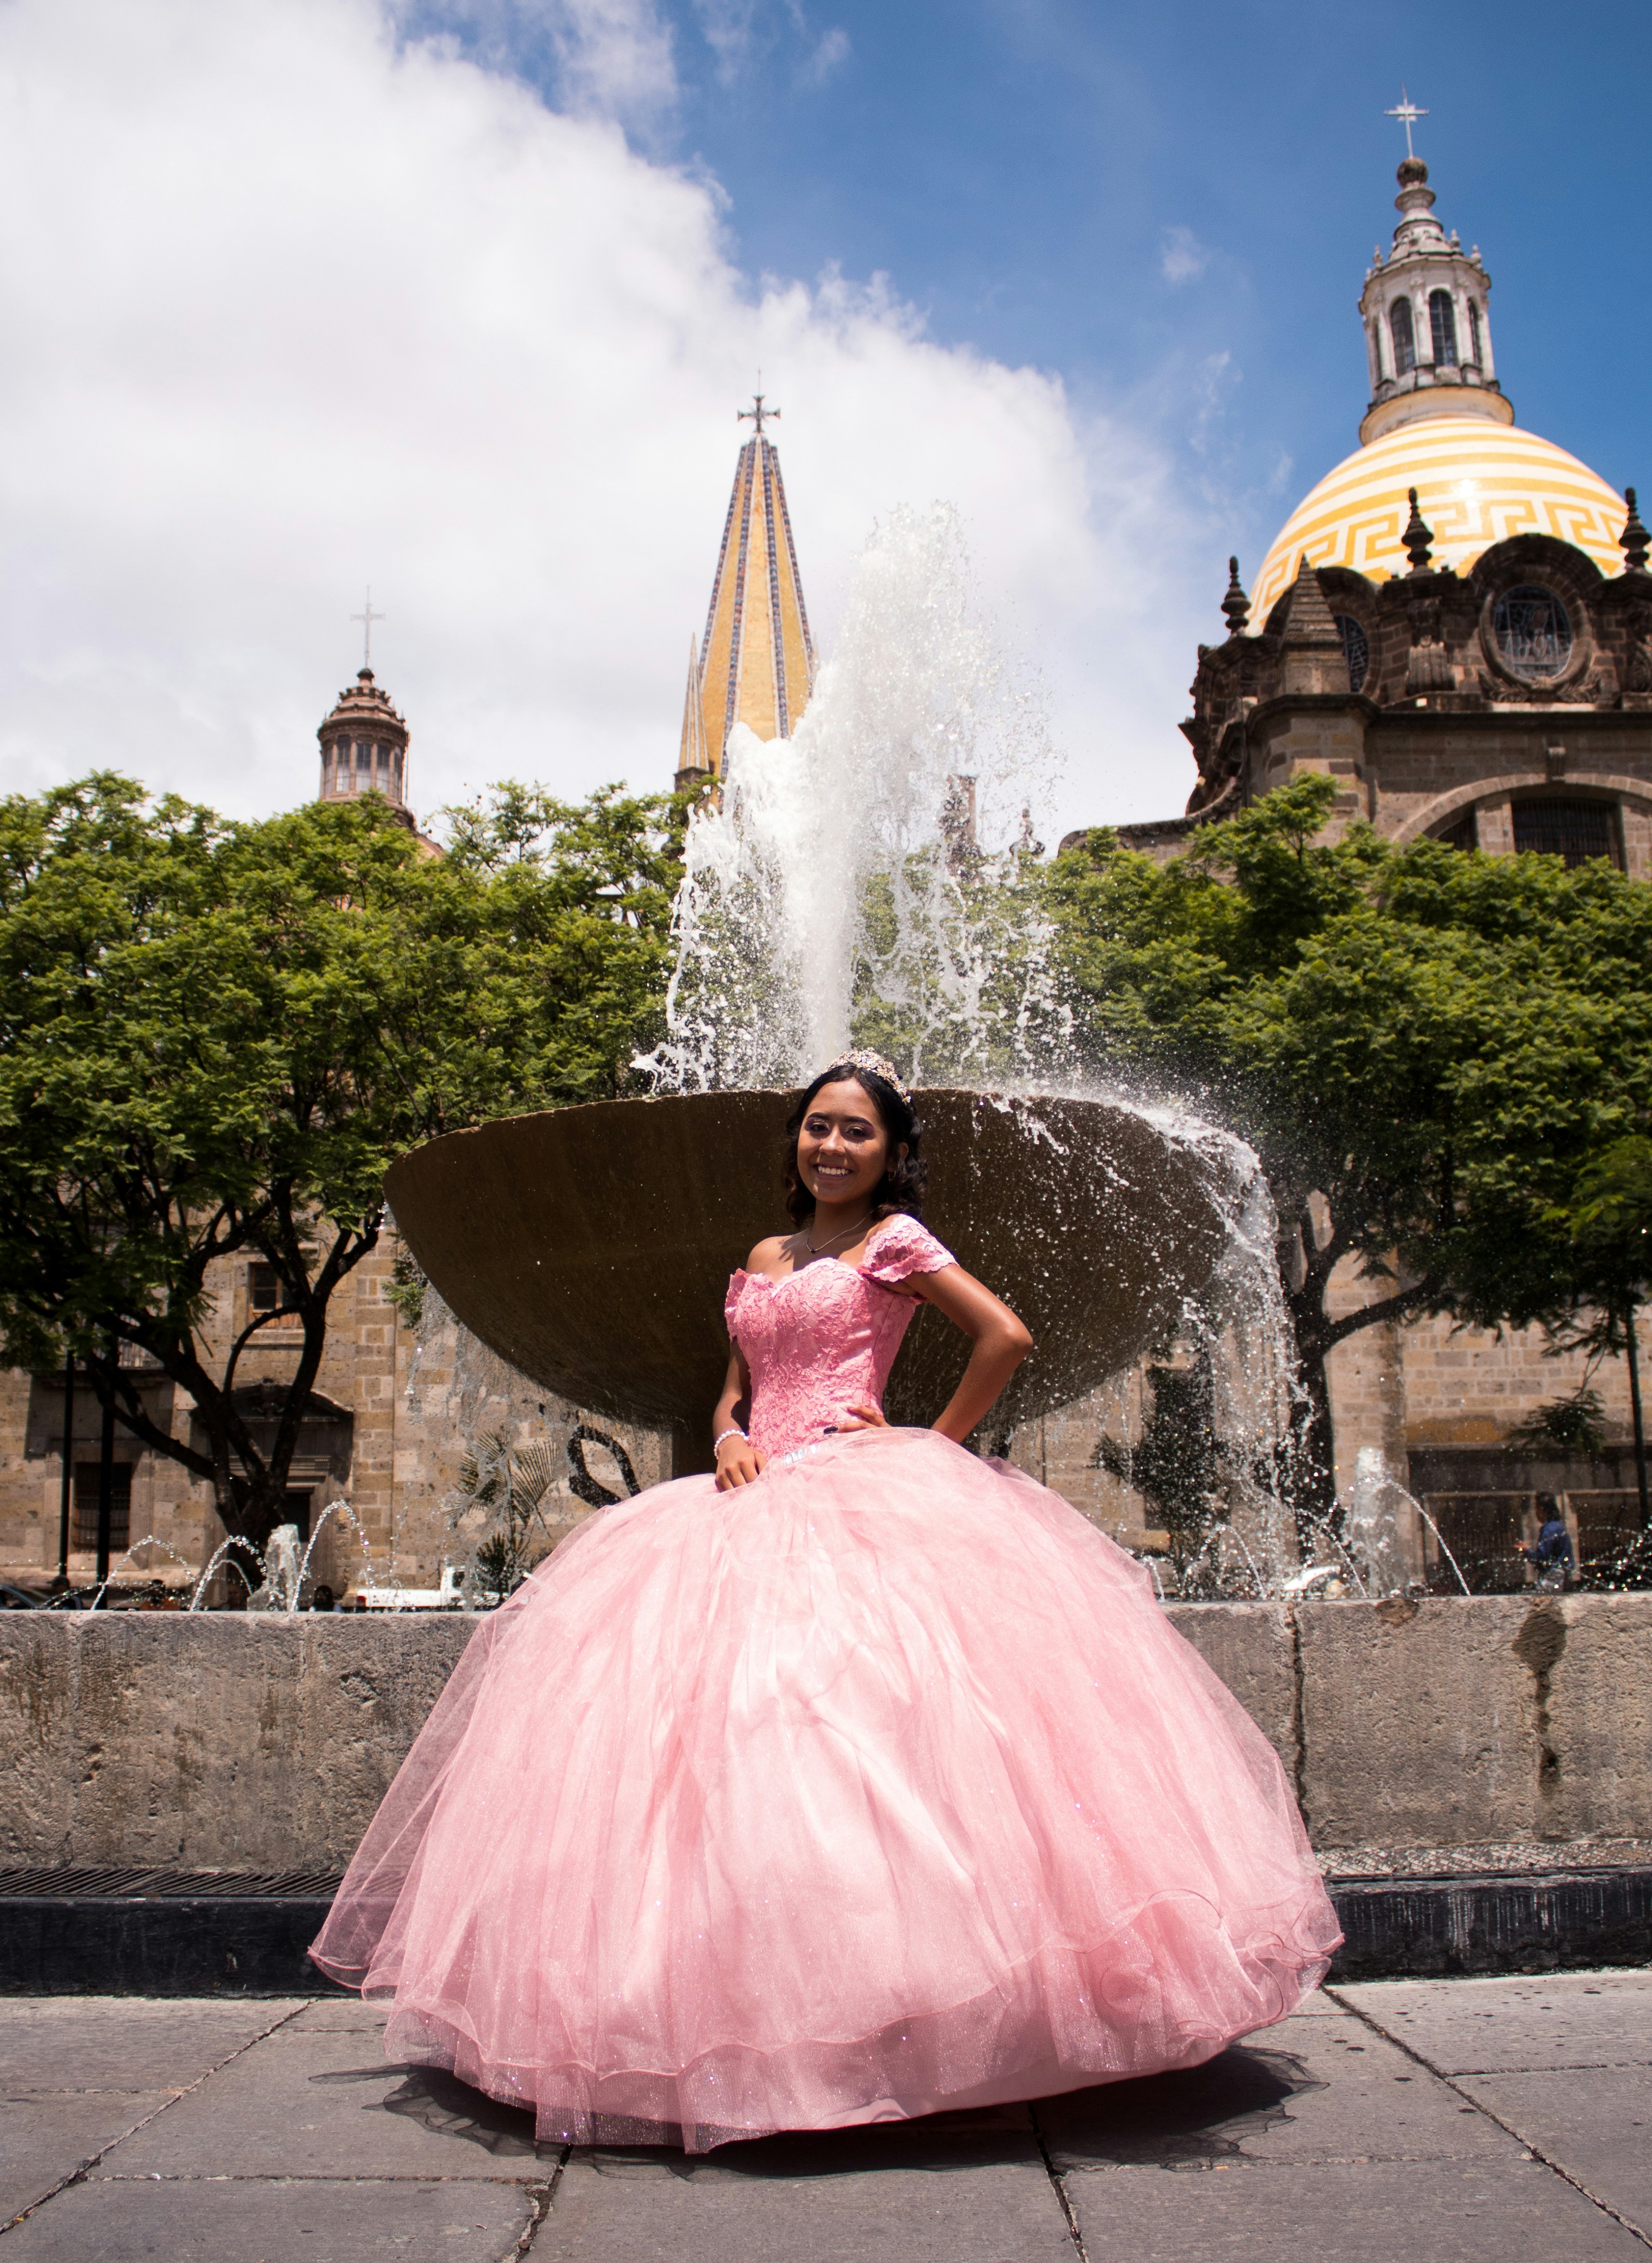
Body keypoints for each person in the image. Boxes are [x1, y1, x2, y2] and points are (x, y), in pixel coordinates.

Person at [311, 1051, 1341, 2151]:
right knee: (730, 1743)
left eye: (856, 1131)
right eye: (817, 1127)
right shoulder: (765, 1253)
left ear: (892, 1152)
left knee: (862, 1736)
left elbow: (1005, 1336)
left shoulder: (893, 1243)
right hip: (746, 1495)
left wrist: (920, 1446)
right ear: (795, 1141)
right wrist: (725, 1433)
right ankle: (749, 2009)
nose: (833, 1146)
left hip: (862, 1495)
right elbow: (736, 1379)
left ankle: (924, 2018)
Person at [1522, 1496, 1575, 1592]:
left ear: (1541, 1509)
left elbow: (1543, 1557)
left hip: (1554, 1576)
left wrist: (1527, 1551)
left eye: (1536, 1509)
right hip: (1564, 1574)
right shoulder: (1558, 1526)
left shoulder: (1550, 1529)